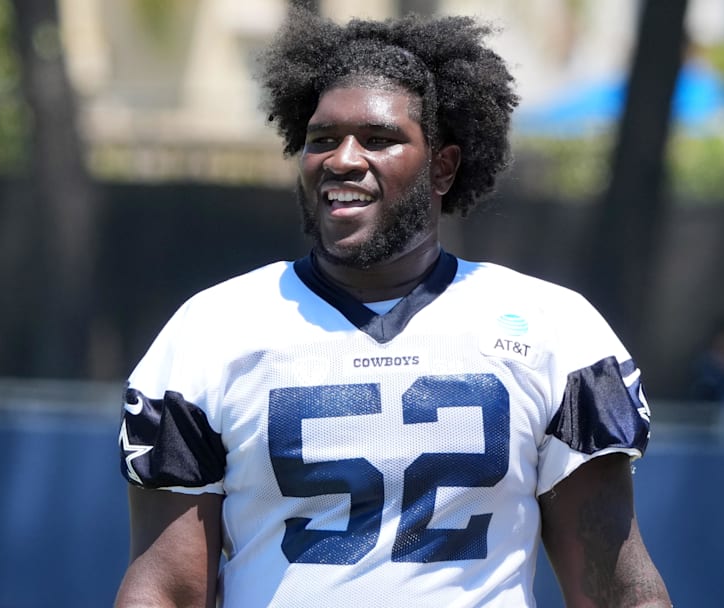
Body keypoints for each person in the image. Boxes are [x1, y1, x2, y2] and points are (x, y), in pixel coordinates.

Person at [116, 9, 670, 607]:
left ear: (444, 166)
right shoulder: (212, 330)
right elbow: (165, 591)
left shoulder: (552, 328)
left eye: (378, 140)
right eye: (321, 140)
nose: (343, 160)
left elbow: (618, 591)